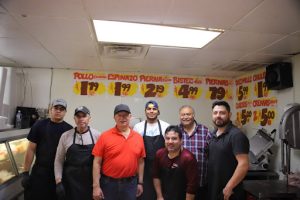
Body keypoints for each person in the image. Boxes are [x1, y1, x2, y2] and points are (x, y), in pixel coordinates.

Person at [21, 99, 73, 200]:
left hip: (58, 175)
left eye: (62, 109)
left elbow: (70, 155)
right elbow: (31, 149)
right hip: (39, 171)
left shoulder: (69, 130)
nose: (58, 111)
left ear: (65, 112)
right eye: (56, 108)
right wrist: (25, 172)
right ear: (50, 110)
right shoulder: (39, 125)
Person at [92, 104, 146, 200]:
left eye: (125, 115)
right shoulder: (105, 136)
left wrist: (140, 183)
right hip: (109, 184)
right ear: (114, 117)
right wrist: (96, 186)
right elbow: (97, 162)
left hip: (130, 185)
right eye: (119, 115)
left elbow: (141, 162)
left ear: (130, 117)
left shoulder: (138, 137)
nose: (122, 118)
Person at [54, 106, 100, 200]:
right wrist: (58, 182)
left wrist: (97, 185)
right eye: (78, 116)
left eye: (84, 116)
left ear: (89, 118)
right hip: (70, 182)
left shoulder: (98, 136)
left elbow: (101, 162)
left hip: (90, 182)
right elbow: (59, 160)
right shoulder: (66, 136)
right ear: (74, 119)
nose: (81, 119)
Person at [207, 101, 249, 200]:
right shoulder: (213, 134)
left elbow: (244, 164)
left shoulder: (236, 135)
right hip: (214, 189)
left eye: (222, 113)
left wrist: (229, 187)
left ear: (229, 114)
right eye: (215, 113)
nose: (218, 116)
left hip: (229, 192)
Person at [133, 100, 170, 200]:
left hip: (161, 167)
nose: (151, 111)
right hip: (143, 168)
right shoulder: (138, 127)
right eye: (149, 109)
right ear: (145, 111)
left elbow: (170, 147)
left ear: (158, 111)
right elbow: (135, 150)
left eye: (154, 109)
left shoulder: (166, 126)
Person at [153, 125, 199, 200]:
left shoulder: (188, 158)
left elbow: (192, 186)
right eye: (167, 138)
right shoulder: (159, 154)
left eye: (174, 139)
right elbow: (156, 176)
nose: (170, 142)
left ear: (181, 141)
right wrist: (159, 196)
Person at [178, 105, 211, 200]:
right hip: (180, 184)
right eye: (183, 114)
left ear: (193, 115)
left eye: (188, 114)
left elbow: (211, 154)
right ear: (179, 116)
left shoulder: (205, 131)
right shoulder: (175, 131)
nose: (185, 117)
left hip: (200, 183)